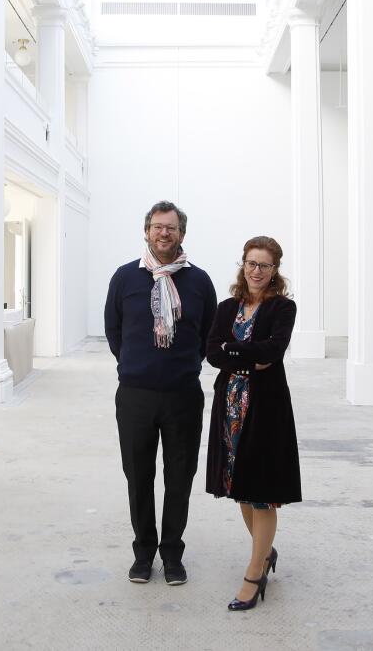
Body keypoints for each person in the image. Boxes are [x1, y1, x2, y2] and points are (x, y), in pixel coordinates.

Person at [104, 201, 217, 586]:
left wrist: (181, 365)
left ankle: (171, 554)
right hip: (135, 396)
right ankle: (142, 554)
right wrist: (137, 363)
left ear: (181, 234)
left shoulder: (199, 281)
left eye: (171, 228)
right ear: (146, 231)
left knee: (180, 476)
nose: (163, 233)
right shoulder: (124, 277)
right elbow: (114, 331)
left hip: (183, 396)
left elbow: (207, 334)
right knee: (138, 477)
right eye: (157, 227)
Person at [205, 235, 301, 611]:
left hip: (265, 408)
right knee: (239, 487)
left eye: (264, 265)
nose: (256, 271)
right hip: (230, 407)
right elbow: (212, 351)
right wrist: (246, 357)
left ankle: (255, 569)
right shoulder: (227, 307)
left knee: (261, 492)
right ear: (242, 265)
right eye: (250, 263)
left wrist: (235, 352)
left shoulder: (282, 308)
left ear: (275, 270)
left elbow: (272, 352)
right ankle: (266, 551)